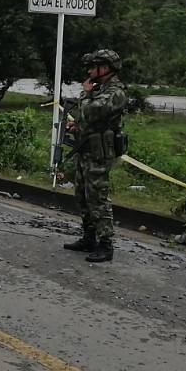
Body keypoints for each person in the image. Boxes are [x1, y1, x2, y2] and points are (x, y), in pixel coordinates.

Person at [63, 49, 127, 263]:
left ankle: (106, 244)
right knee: (82, 194)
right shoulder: (101, 89)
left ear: (105, 68)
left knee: (97, 197)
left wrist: (85, 93)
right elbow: (88, 119)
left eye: (93, 67)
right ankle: (89, 237)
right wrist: (76, 126)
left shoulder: (115, 92)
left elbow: (90, 111)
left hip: (99, 153)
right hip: (87, 148)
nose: (89, 71)